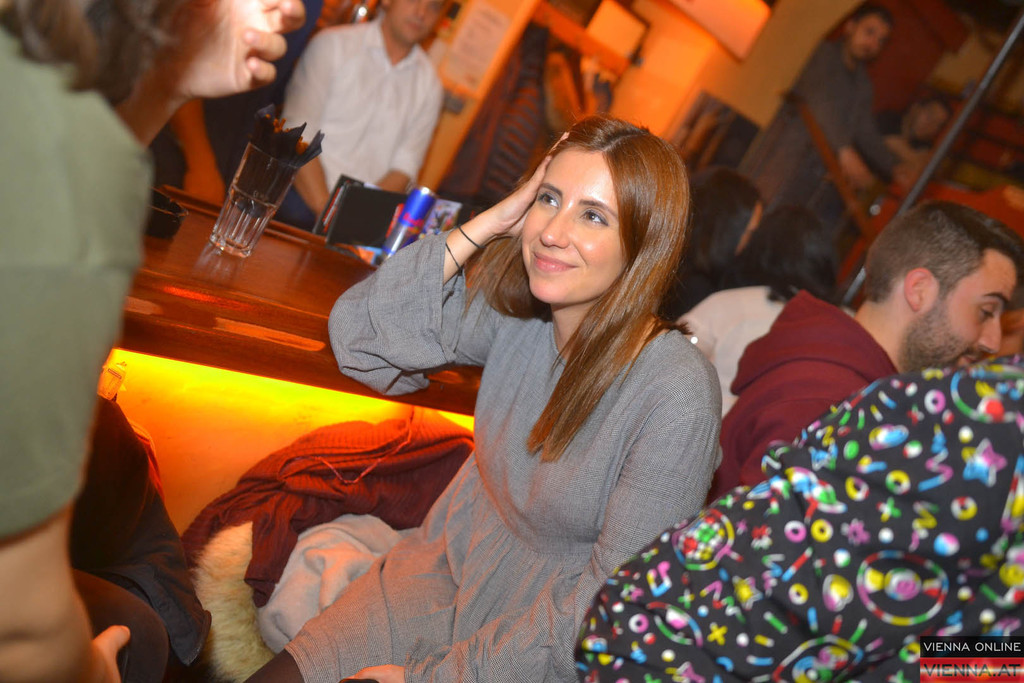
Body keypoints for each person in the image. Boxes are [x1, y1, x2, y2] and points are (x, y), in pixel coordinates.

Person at [245, 115, 723, 682]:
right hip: (434, 575)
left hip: (537, 650)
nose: (553, 231)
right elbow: (359, 338)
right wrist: (491, 222)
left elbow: (606, 611)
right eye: (549, 198)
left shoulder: (676, 391)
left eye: (592, 215)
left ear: (643, 244)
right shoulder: (523, 318)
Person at [0, 0, 305, 680]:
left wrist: (165, 77)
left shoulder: (40, 91)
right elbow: (18, 618)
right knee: (138, 633)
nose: (290, 9)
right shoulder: (71, 167)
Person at [577, 355, 1024, 682]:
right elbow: (648, 632)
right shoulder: (983, 435)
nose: (988, 339)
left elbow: (948, 655)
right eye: (985, 309)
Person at [714, 200, 1024, 500]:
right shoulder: (830, 404)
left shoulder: (847, 385)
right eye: (985, 311)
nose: (993, 342)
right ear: (919, 290)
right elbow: (759, 533)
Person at [742, 3, 908, 237]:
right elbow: (820, 102)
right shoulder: (822, 54)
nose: (872, 44)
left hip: (813, 178)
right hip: (783, 158)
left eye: (880, 40)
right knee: (747, 217)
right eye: (869, 32)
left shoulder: (863, 84)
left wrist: (894, 166)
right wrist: (844, 150)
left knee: (777, 233)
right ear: (850, 26)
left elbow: (865, 131)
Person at [277, 0, 445, 229]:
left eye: (434, 6)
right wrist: (326, 213)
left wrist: (351, 221)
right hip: (298, 200)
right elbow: (297, 134)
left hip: (360, 219)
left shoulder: (430, 85)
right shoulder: (332, 45)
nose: (421, 12)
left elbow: (405, 167)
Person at [682, 205, 836, 416]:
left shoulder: (729, 305)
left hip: (697, 422)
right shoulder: (827, 331)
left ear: (760, 249)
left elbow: (668, 358)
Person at [661, 167, 762, 320]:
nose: (749, 243)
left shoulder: (668, 255)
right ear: (727, 230)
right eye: (749, 233)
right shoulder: (697, 290)